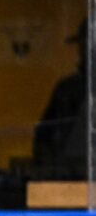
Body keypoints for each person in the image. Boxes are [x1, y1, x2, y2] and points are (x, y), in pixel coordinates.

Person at [33, 18, 89, 180]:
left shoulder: (68, 87)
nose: (84, 50)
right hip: (67, 177)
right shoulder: (66, 87)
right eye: (83, 45)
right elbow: (44, 135)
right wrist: (51, 168)